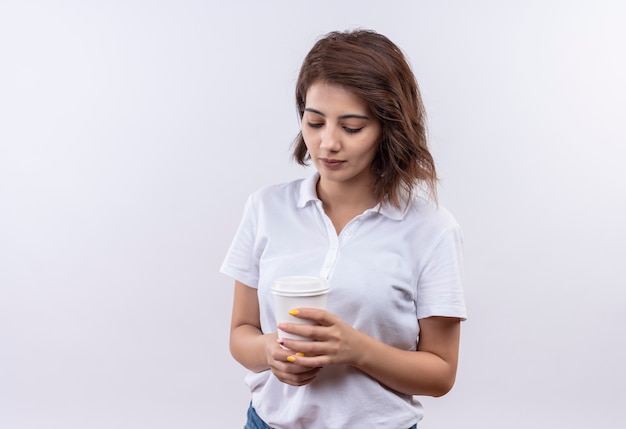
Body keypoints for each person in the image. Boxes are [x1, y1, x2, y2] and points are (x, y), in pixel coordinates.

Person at [220, 29, 466, 429]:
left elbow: (440, 375)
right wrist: (269, 351)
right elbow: (241, 332)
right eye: (314, 122)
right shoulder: (266, 207)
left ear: (390, 128)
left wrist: (355, 349)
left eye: (351, 127)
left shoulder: (431, 229)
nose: (327, 143)